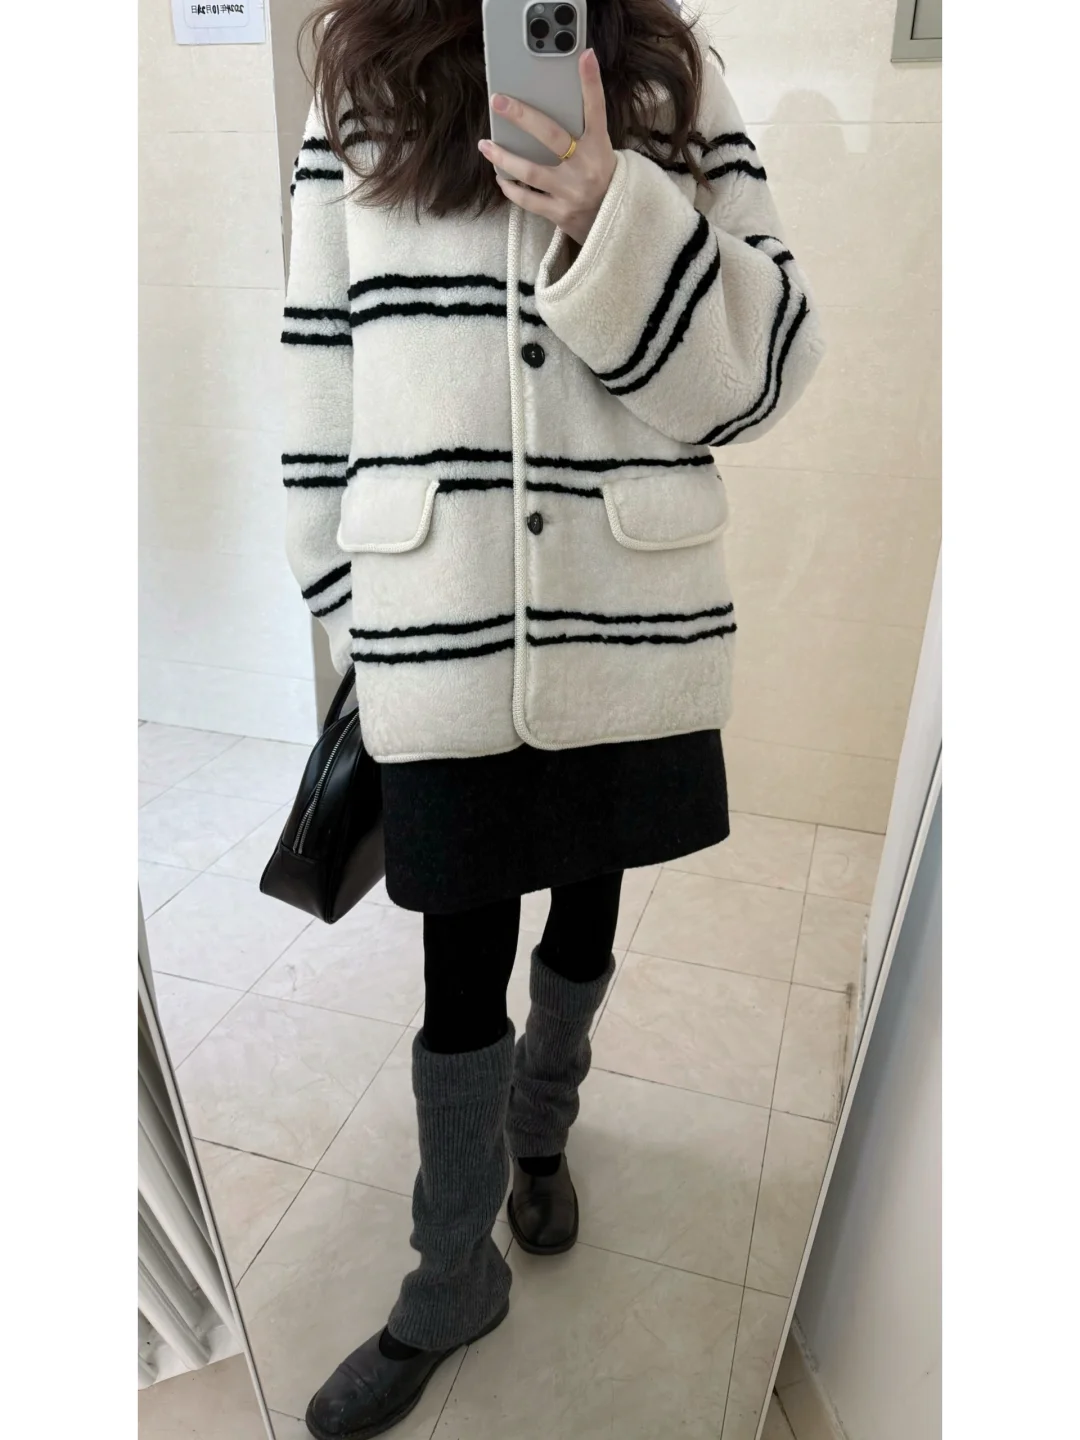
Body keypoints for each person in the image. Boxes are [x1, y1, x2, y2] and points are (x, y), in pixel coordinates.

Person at [281, 0, 822, 1433]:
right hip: (438, 617)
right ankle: (448, 1273)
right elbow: (319, 355)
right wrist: (349, 594)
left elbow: (770, 366)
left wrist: (612, 209)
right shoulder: (359, 82)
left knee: (588, 901)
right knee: (456, 958)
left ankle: (542, 1128)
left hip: (625, 613)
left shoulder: (669, 72)